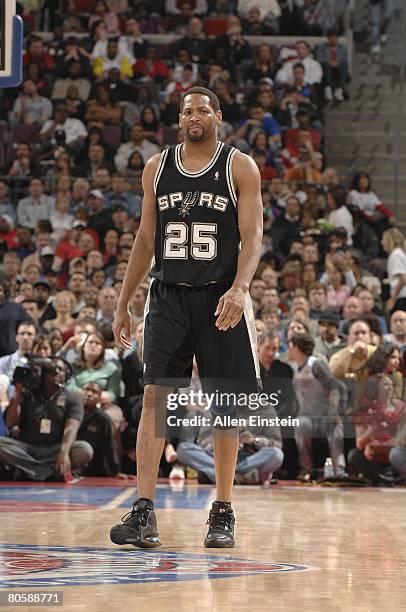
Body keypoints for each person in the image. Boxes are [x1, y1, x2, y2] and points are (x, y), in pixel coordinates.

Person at [110, 87, 263, 549]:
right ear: (179, 119)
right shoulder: (156, 168)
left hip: (221, 295)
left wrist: (240, 288)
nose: (194, 116)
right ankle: (144, 511)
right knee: (154, 397)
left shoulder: (239, 165)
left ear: (217, 115)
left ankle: (222, 510)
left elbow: (253, 236)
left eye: (202, 109)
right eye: (186, 110)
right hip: (169, 295)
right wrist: (123, 301)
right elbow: (144, 239)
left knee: (226, 404)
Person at [0, 357, 92, 482]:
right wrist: (18, 391)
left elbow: (71, 429)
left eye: (61, 369)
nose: (57, 372)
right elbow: (11, 423)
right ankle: (46, 472)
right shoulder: (28, 393)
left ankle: (29, 471)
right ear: (42, 374)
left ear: (67, 376)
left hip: (55, 450)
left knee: (84, 450)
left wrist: (64, 453)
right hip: (28, 448)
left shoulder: (72, 397)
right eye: (52, 370)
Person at [288, 332, 346, 479]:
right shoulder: (296, 369)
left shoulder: (316, 364)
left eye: (291, 346)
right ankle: (306, 469)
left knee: (335, 425)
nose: (289, 350)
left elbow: (335, 387)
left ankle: (338, 469)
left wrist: (333, 411)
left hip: (324, 414)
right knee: (300, 425)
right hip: (307, 415)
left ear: (296, 347)